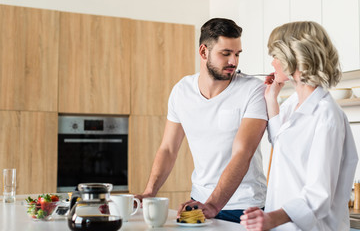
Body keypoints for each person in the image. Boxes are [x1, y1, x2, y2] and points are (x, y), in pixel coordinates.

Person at [135, 18, 268, 223]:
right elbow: (168, 149)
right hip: (199, 202)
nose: (233, 61)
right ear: (203, 52)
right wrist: (149, 192)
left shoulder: (253, 90)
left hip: (244, 206)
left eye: (237, 54)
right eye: (225, 54)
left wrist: (214, 204)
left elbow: (243, 153)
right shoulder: (181, 91)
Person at [240, 21, 358, 230]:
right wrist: (271, 99)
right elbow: (282, 143)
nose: (273, 63)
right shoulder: (293, 103)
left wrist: (272, 218)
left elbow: (318, 194)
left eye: (276, 56)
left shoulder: (326, 115)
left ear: (293, 57)